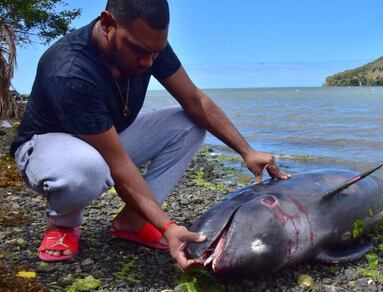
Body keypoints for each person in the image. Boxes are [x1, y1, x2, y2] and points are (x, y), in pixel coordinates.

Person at [10, 0, 290, 271]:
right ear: (107, 23)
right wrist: (167, 227)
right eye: (140, 51)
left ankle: (133, 220)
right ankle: (62, 223)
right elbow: (118, 165)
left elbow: (195, 100)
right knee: (85, 169)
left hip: (104, 138)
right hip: (47, 149)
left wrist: (246, 151)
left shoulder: (148, 45)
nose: (148, 62)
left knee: (189, 124)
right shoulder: (70, 71)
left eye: (155, 53)